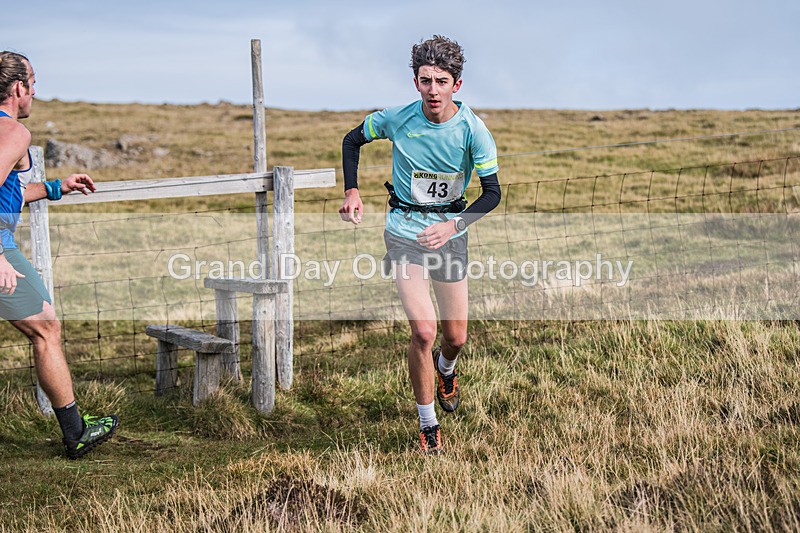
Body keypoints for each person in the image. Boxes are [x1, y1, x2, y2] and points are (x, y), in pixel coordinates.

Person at [339, 36, 501, 454]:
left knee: (456, 338)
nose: (433, 90)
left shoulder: (473, 131)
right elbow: (352, 140)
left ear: (457, 85)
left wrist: (452, 226)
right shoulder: (397, 118)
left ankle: (447, 372)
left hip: (450, 238)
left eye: (441, 81)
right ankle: (428, 428)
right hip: (404, 234)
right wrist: (352, 191)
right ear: (415, 82)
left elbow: (492, 193)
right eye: (425, 80)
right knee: (424, 332)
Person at [0, 51, 119, 459]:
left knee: (45, 324)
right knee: (46, 328)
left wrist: (54, 187)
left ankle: (75, 430)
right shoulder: (14, 133)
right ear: (19, 88)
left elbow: (6, 191)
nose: (36, 90)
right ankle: (76, 433)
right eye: (33, 81)